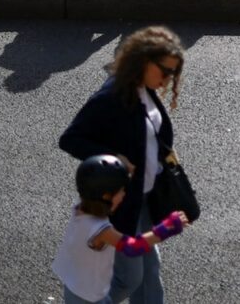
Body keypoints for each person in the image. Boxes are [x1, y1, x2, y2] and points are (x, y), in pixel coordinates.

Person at [59, 27, 188, 304]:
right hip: (121, 202)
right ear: (142, 62)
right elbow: (70, 139)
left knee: (150, 272)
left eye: (173, 74)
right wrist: (115, 157)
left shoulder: (144, 90)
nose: (168, 79)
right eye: (165, 71)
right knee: (130, 278)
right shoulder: (110, 98)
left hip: (144, 196)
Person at [52, 155, 190, 304]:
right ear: (106, 196)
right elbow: (132, 247)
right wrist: (166, 228)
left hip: (75, 288)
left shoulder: (81, 208)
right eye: (121, 191)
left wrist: (124, 165)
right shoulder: (100, 230)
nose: (124, 194)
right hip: (91, 298)